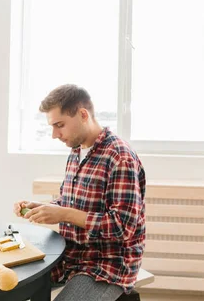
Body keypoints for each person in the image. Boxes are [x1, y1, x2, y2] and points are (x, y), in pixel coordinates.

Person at [13, 84, 146, 301]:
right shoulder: (77, 151)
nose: (55, 134)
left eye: (60, 125)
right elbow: (72, 203)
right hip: (72, 256)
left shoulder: (120, 157)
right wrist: (44, 208)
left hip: (107, 265)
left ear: (83, 115)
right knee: (14, 282)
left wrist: (63, 214)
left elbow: (123, 227)